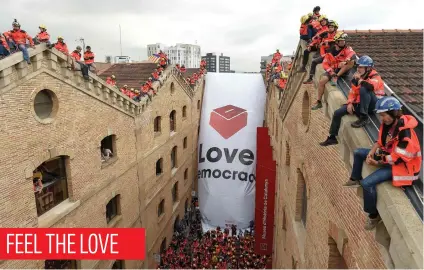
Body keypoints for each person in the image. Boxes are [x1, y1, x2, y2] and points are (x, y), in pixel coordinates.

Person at [344, 97, 421, 230]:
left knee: (367, 183)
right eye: (380, 116)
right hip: (389, 157)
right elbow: (380, 141)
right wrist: (371, 152)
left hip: (402, 168)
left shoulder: (405, 133)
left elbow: (398, 158)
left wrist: (378, 162)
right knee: (358, 152)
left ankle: (373, 215)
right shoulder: (387, 125)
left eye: (383, 115)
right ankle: (354, 178)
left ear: (393, 113)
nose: (381, 119)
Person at [319, 55, 385, 146]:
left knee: (364, 88)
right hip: (361, 103)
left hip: (373, 105)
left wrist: (360, 80)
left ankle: (364, 117)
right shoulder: (357, 77)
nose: (358, 69)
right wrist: (350, 103)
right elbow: (352, 92)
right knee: (338, 112)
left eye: (361, 67)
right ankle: (332, 137)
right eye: (358, 67)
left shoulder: (376, 77)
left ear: (368, 68)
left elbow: (370, 87)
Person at [311, 31, 356, 110]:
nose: (343, 42)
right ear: (337, 42)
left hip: (343, 70)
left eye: (344, 41)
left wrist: (346, 60)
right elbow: (325, 64)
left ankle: (336, 77)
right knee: (322, 81)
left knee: (350, 62)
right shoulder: (330, 52)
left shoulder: (347, 49)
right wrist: (331, 71)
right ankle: (318, 101)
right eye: (341, 41)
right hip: (333, 69)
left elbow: (352, 53)